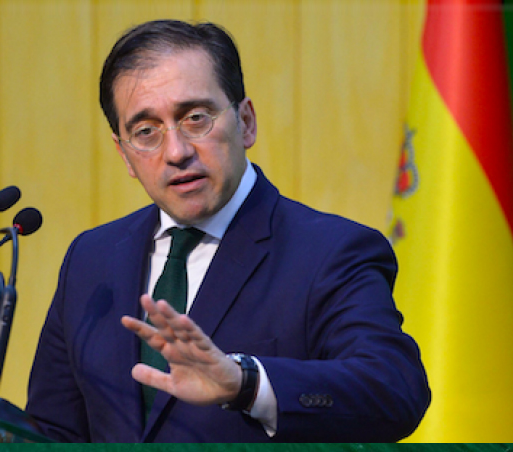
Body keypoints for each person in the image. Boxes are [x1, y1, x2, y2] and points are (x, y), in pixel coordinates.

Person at [25, 19, 430, 443]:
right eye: (146, 132)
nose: (176, 152)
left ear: (246, 121)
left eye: (196, 119)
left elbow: (394, 390)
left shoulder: (330, 251)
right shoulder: (91, 259)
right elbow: (53, 433)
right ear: (125, 154)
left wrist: (246, 383)